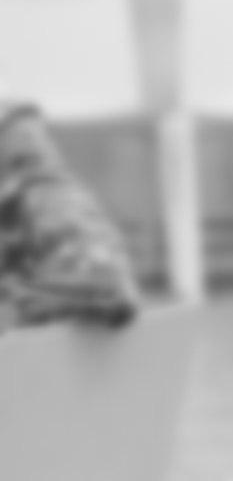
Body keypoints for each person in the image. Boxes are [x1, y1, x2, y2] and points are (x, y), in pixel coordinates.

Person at [0, 101, 137, 329]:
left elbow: (107, 287)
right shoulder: (26, 198)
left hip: (63, 334)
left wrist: (20, 299)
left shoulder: (45, 197)